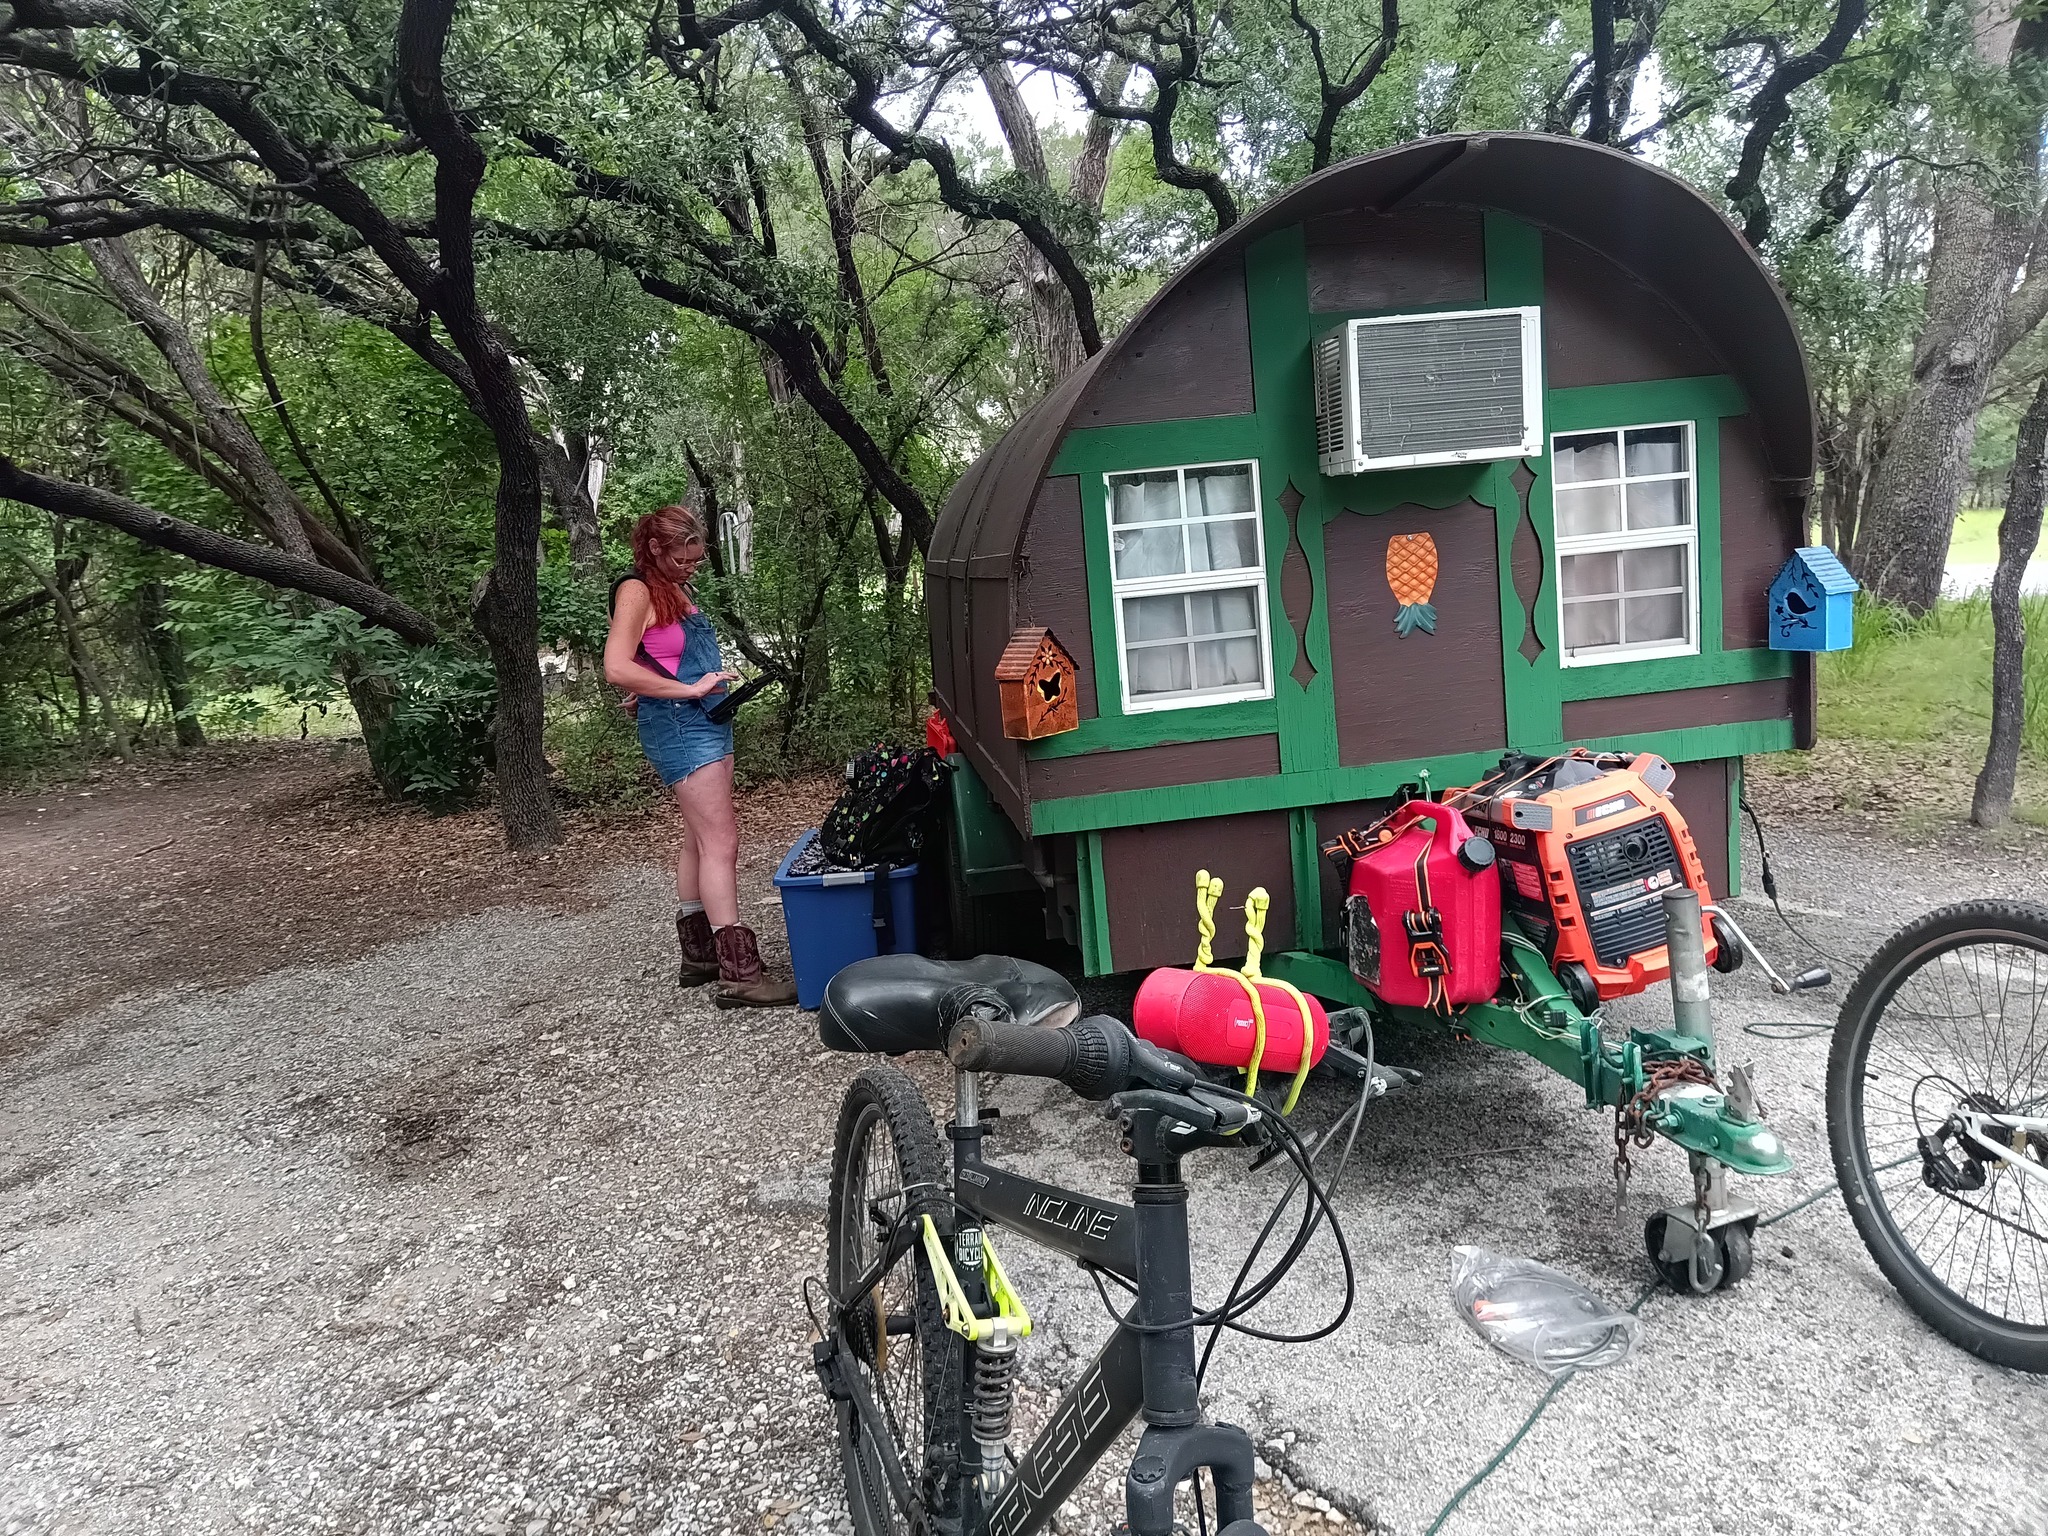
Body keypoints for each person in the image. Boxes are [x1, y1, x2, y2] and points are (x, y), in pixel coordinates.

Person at [604, 504, 795, 1008]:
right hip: (683, 727)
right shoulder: (636, 590)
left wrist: (657, 687)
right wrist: (684, 691)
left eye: (696, 559)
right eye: (681, 559)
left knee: (698, 838)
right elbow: (616, 666)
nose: (690, 567)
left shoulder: (675, 589)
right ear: (653, 549)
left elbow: (653, 659)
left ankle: (702, 956)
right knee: (720, 841)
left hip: (705, 721)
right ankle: (741, 974)